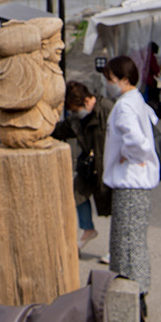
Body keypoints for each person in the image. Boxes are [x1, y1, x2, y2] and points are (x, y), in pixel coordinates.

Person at [103, 55, 159, 312]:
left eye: (111, 80)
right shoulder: (136, 99)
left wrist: (134, 155)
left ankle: (132, 296)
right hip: (140, 181)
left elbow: (137, 140)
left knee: (126, 241)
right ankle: (138, 291)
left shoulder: (124, 105)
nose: (108, 84)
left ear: (124, 80)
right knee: (135, 239)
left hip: (130, 181)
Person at [52, 78, 113, 257]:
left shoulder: (106, 109)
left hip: (107, 164)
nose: (74, 113)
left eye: (75, 110)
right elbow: (61, 130)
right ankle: (88, 229)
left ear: (87, 101)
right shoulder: (76, 120)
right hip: (89, 166)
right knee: (77, 192)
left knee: (114, 206)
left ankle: (113, 248)